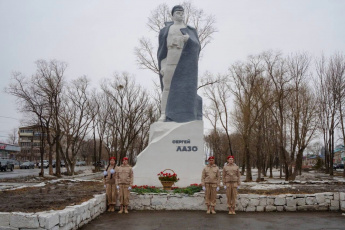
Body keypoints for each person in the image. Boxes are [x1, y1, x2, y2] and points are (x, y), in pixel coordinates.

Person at [157, 5, 203, 122]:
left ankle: (186, 115)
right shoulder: (165, 31)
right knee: (167, 88)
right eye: (178, 13)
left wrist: (189, 40)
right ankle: (164, 114)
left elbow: (197, 46)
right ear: (172, 15)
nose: (181, 15)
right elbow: (162, 51)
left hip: (184, 63)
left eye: (182, 13)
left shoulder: (190, 30)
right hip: (170, 61)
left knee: (186, 89)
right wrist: (163, 65)